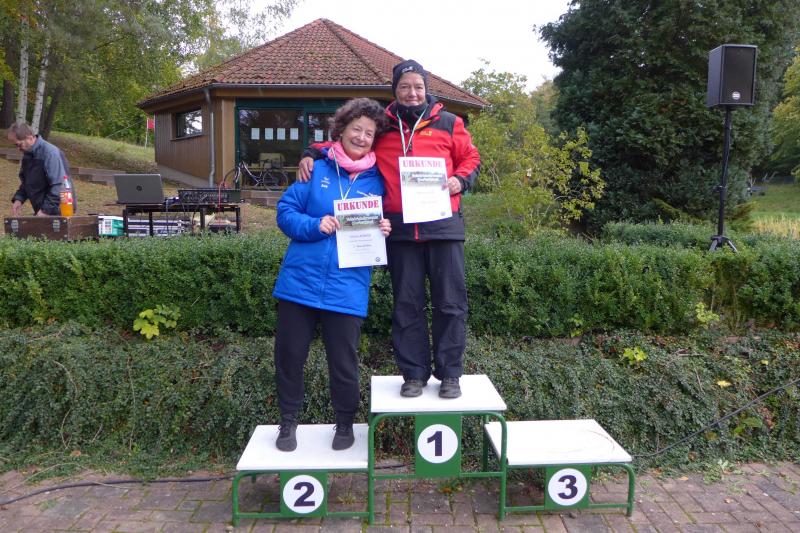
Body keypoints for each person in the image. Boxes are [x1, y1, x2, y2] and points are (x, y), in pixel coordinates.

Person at [299, 59, 480, 399]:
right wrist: (311, 152)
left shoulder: (449, 122)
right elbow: (346, 144)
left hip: (443, 227)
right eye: (405, 87)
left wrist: (460, 179)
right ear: (395, 90)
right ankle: (413, 375)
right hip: (399, 231)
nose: (412, 93)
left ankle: (450, 375)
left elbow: (471, 158)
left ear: (426, 89)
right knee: (407, 304)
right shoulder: (382, 125)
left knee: (451, 303)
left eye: (418, 87)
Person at [272, 98, 391, 452]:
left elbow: (388, 222)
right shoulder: (315, 169)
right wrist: (313, 225)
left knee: (344, 362)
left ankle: (345, 424)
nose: (361, 137)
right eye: (356, 129)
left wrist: (385, 228)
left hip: (347, 287)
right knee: (289, 357)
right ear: (341, 130)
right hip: (299, 284)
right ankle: (287, 423)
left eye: (369, 133)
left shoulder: (380, 181)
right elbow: (285, 211)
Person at [7, 122, 75, 216]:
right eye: (16, 146)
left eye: (19, 144)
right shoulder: (28, 155)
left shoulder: (50, 153)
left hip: (60, 210)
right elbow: (28, 182)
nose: (18, 149)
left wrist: (45, 210)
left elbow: (59, 185)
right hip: (43, 209)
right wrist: (19, 199)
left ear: (30, 138)